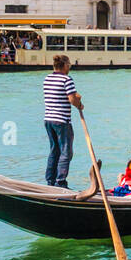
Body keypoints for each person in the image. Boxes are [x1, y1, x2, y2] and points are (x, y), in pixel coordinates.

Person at [43, 55, 83, 189]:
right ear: (65, 65)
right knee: (66, 152)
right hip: (62, 120)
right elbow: (72, 100)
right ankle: (60, 182)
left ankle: (50, 181)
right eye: (69, 65)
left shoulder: (47, 79)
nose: (69, 68)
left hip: (48, 119)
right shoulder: (67, 79)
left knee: (54, 150)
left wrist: (75, 97)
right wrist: (80, 104)